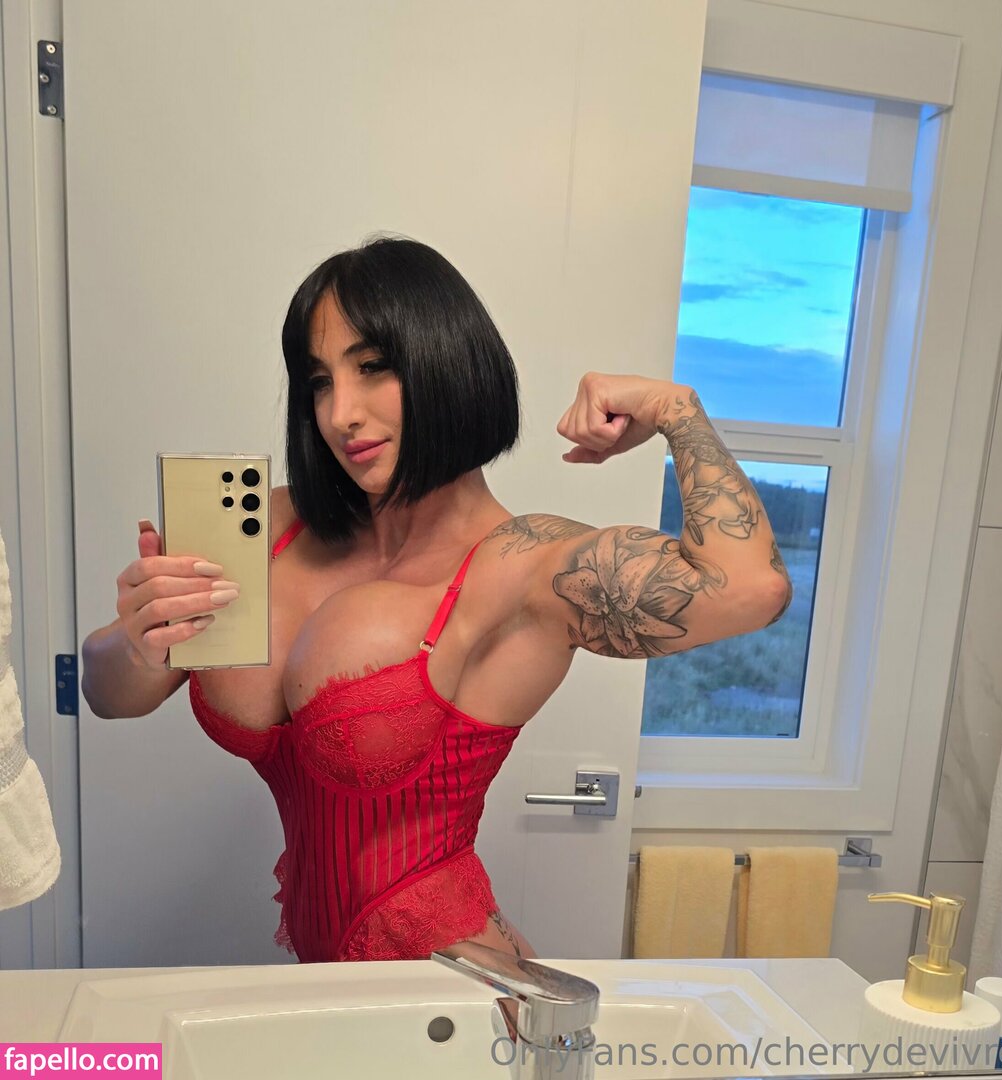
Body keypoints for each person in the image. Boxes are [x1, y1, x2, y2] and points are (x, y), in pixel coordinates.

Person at [81, 237, 791, 963]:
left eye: (372, 367)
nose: (340, 413)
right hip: (320, 984)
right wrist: (139, 644)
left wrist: (675, 408)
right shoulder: (270, 528)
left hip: (453, 981)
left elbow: (748, 589)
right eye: (320, 381)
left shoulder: (523, 567)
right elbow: (105, 694)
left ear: (447, 361)